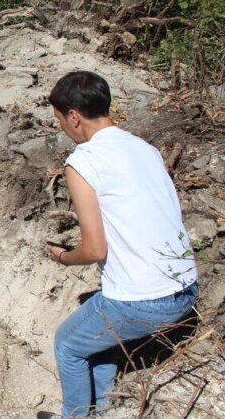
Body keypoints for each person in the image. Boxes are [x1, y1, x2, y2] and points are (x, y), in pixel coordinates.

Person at [42, 71, 198, 418]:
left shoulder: (84, 161)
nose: (63, 130)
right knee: (97, 339)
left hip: (143, 301)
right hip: (186, 289)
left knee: (68, 345)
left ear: (73, 116)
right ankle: (105, 408)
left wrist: (64, 257)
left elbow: (95, 250)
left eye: (60, 121)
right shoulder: (145, 149)